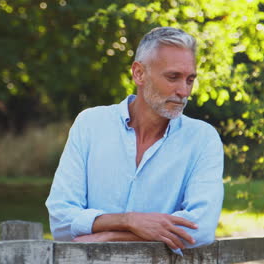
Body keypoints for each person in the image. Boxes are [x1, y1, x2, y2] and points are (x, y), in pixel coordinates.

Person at [45, 27, 224, 255]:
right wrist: (128, 220)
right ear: (139, 73)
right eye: (173, 77)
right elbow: (60, 219)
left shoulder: (203, 139)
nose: (183, 91)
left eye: (190, 80)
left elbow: (200, 229)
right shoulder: (90, 124)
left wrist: (110, 235)